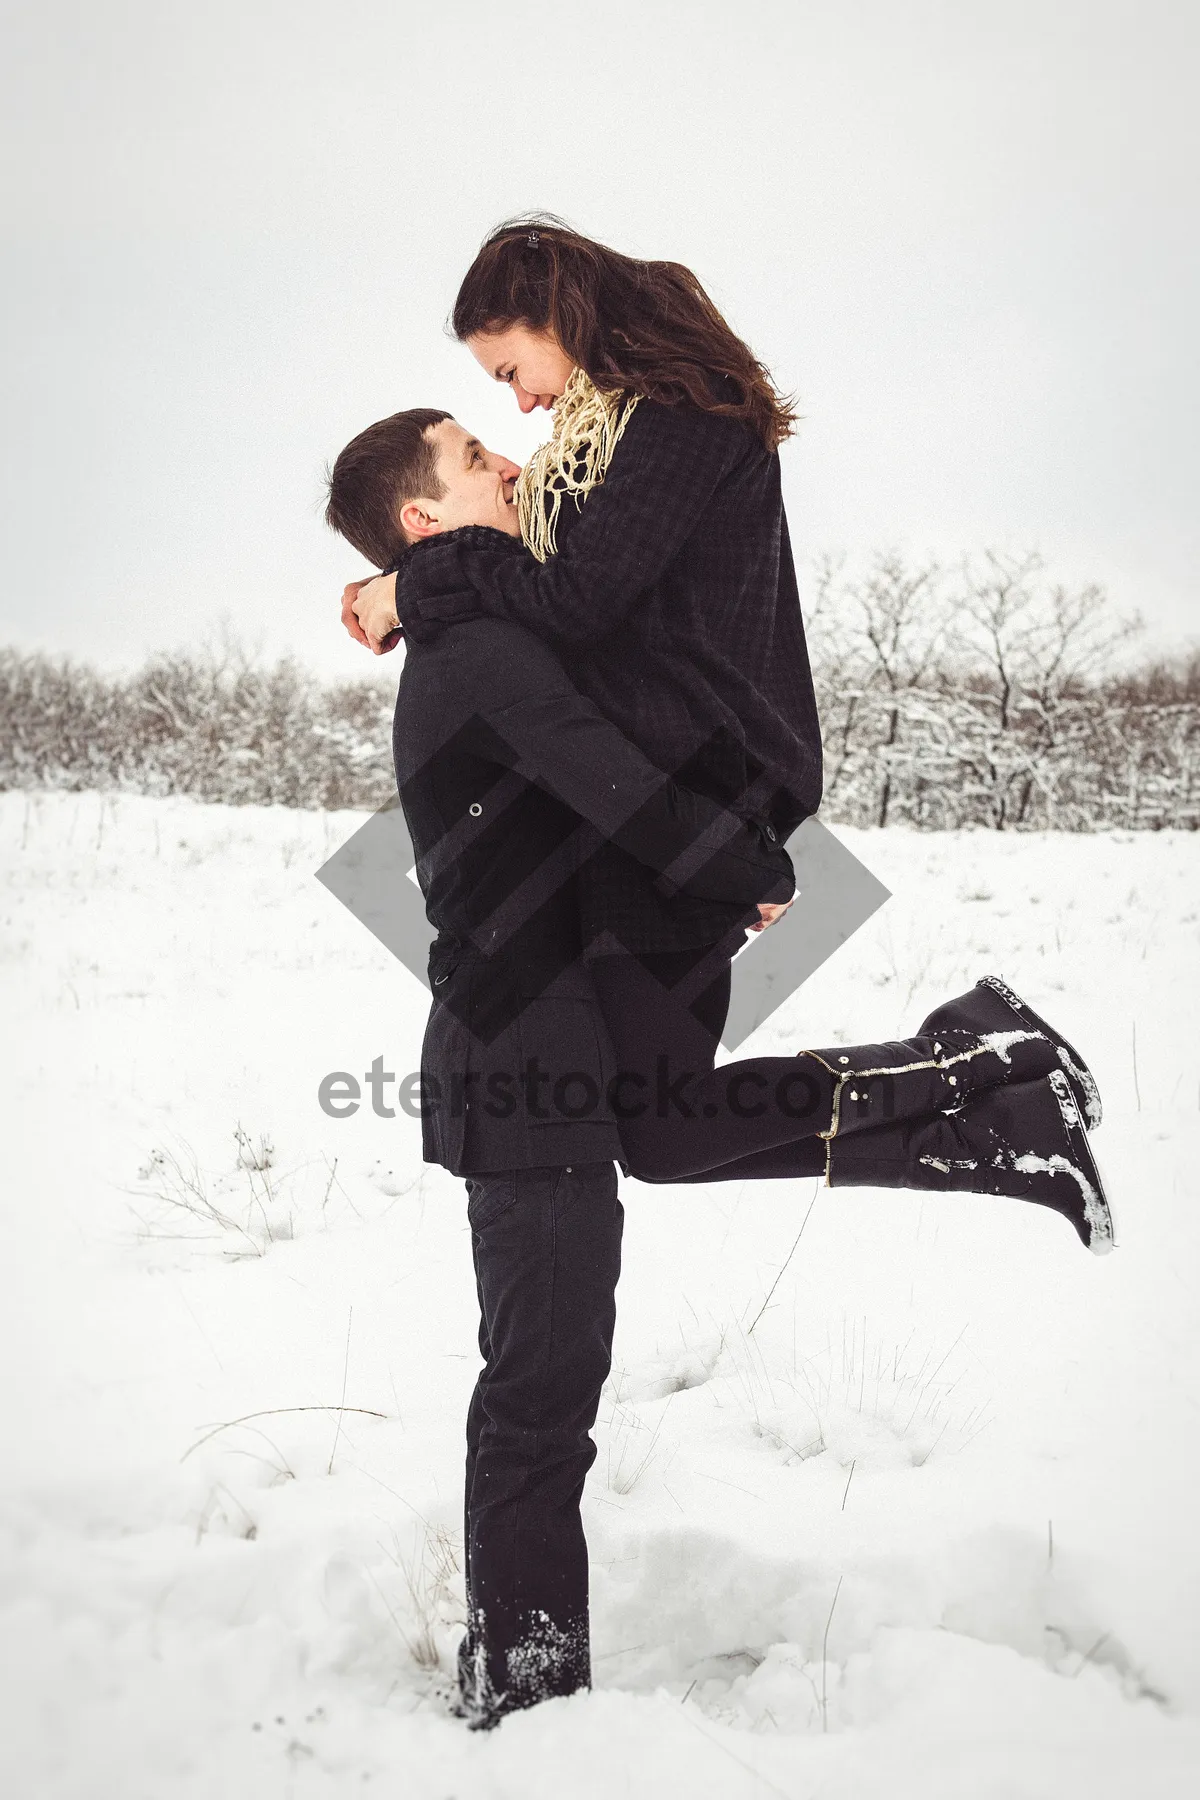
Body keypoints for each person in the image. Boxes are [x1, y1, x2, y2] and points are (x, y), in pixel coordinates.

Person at [325, 403, 1114, 1730]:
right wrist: (744, 866)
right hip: (524, 1058)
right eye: (477, 458)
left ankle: (985, 1085)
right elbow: (603, 778)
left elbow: (607, 745)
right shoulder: (470, 644)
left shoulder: (480, 615)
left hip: (568, 1027)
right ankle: (525, 1690)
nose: (511, 462)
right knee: (541, 1389)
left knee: (677, 1143)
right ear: (422, 518)